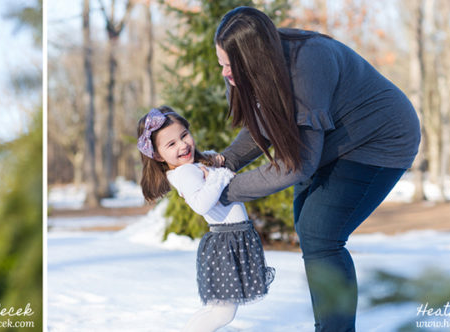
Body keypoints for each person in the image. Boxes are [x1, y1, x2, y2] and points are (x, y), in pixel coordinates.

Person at [211, 7, 421, 331]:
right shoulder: (253, 69)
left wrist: (226, 190)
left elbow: (298, 164)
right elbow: (262, 125)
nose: (225, 72)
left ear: (254, 55)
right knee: (309, 228)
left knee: (320, 232)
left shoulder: (308, 62)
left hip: (381, 138)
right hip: (334, 140)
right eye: (222, 63)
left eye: (230, 64)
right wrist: (224, 163)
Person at [137, 106, 274, 331]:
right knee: (223, 313)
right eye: (171, 144)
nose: (182, 145)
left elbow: (204, 176)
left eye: (184, 135)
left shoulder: (188, 168)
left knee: (216, 310)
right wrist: (220, 177)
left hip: (229, 241)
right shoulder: (185, 172)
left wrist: (212, 162)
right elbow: (201, 203)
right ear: (158, 155)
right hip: (226, 244)